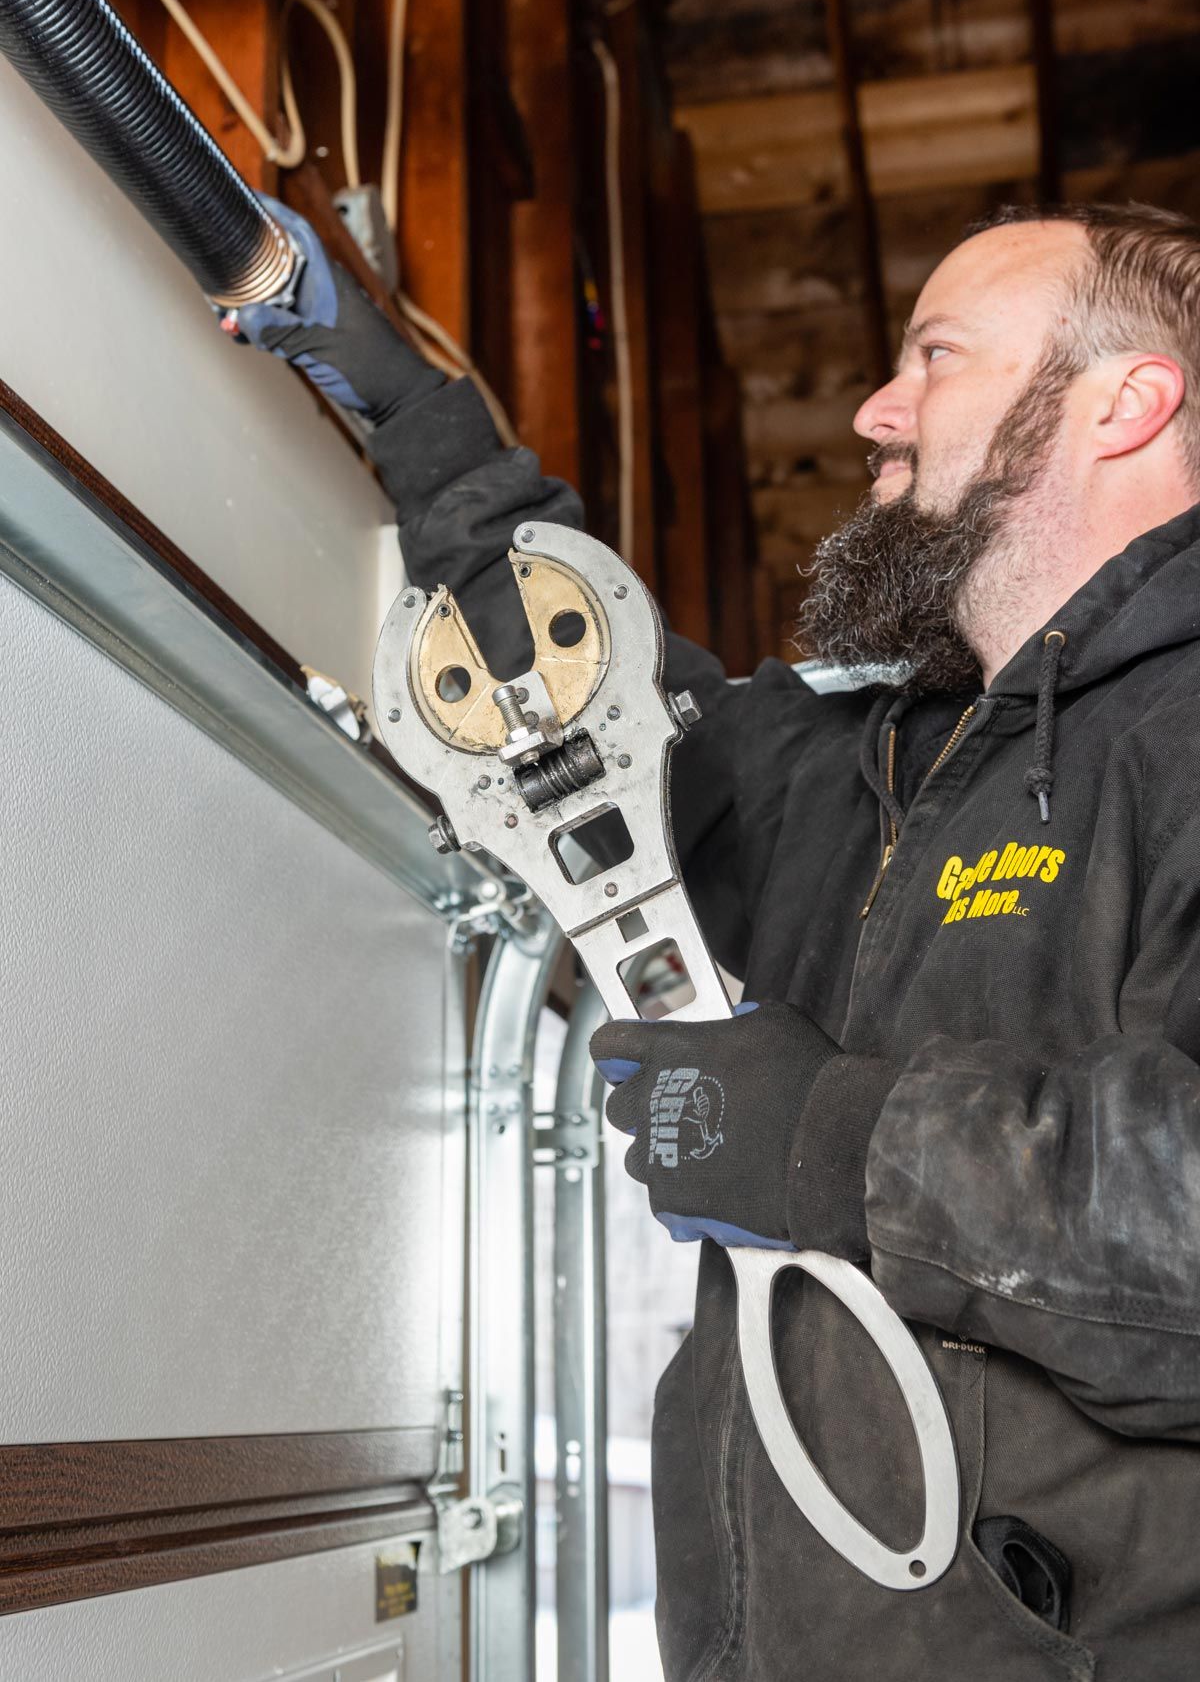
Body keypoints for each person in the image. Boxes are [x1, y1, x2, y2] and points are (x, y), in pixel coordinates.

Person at [236, 201, 1200, 1679]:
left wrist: (826, 1138)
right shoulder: (868, 762)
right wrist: (393, 390)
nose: (878, 408)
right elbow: (584, 686)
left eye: (935, 354)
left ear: (1127, 400)